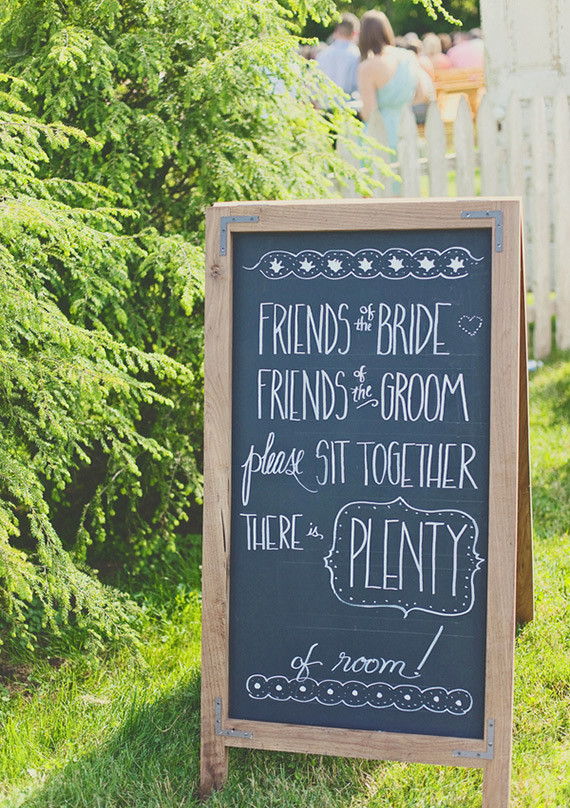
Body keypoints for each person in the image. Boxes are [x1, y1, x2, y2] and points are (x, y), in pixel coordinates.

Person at [357, 10, 427, 152]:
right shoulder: (409, 56)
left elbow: (369, 113)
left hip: (381, 135)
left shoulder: (367, 67)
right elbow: (422, 95)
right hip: (407, 129)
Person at [316, 13, 360, 99]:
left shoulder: (322, 54)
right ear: (355, 33)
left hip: (324, 104)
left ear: (336, 31)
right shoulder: (356, 55)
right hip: (348, 104)